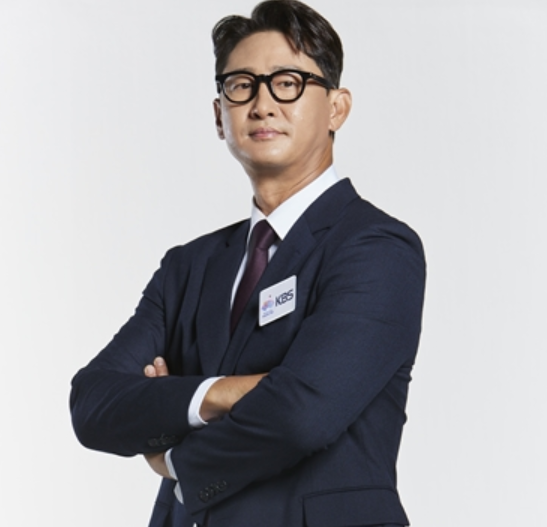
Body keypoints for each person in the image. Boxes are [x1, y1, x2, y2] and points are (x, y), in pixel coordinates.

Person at [70, 1, 426, 526]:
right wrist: (220, 394)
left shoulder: (376, 248)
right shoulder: (188, 266)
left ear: (337, 108)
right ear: (220, 115)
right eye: (242, 85)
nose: (262, 105)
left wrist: (176, 456)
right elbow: (92, 404)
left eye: (287, 83)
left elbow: (302, 413)